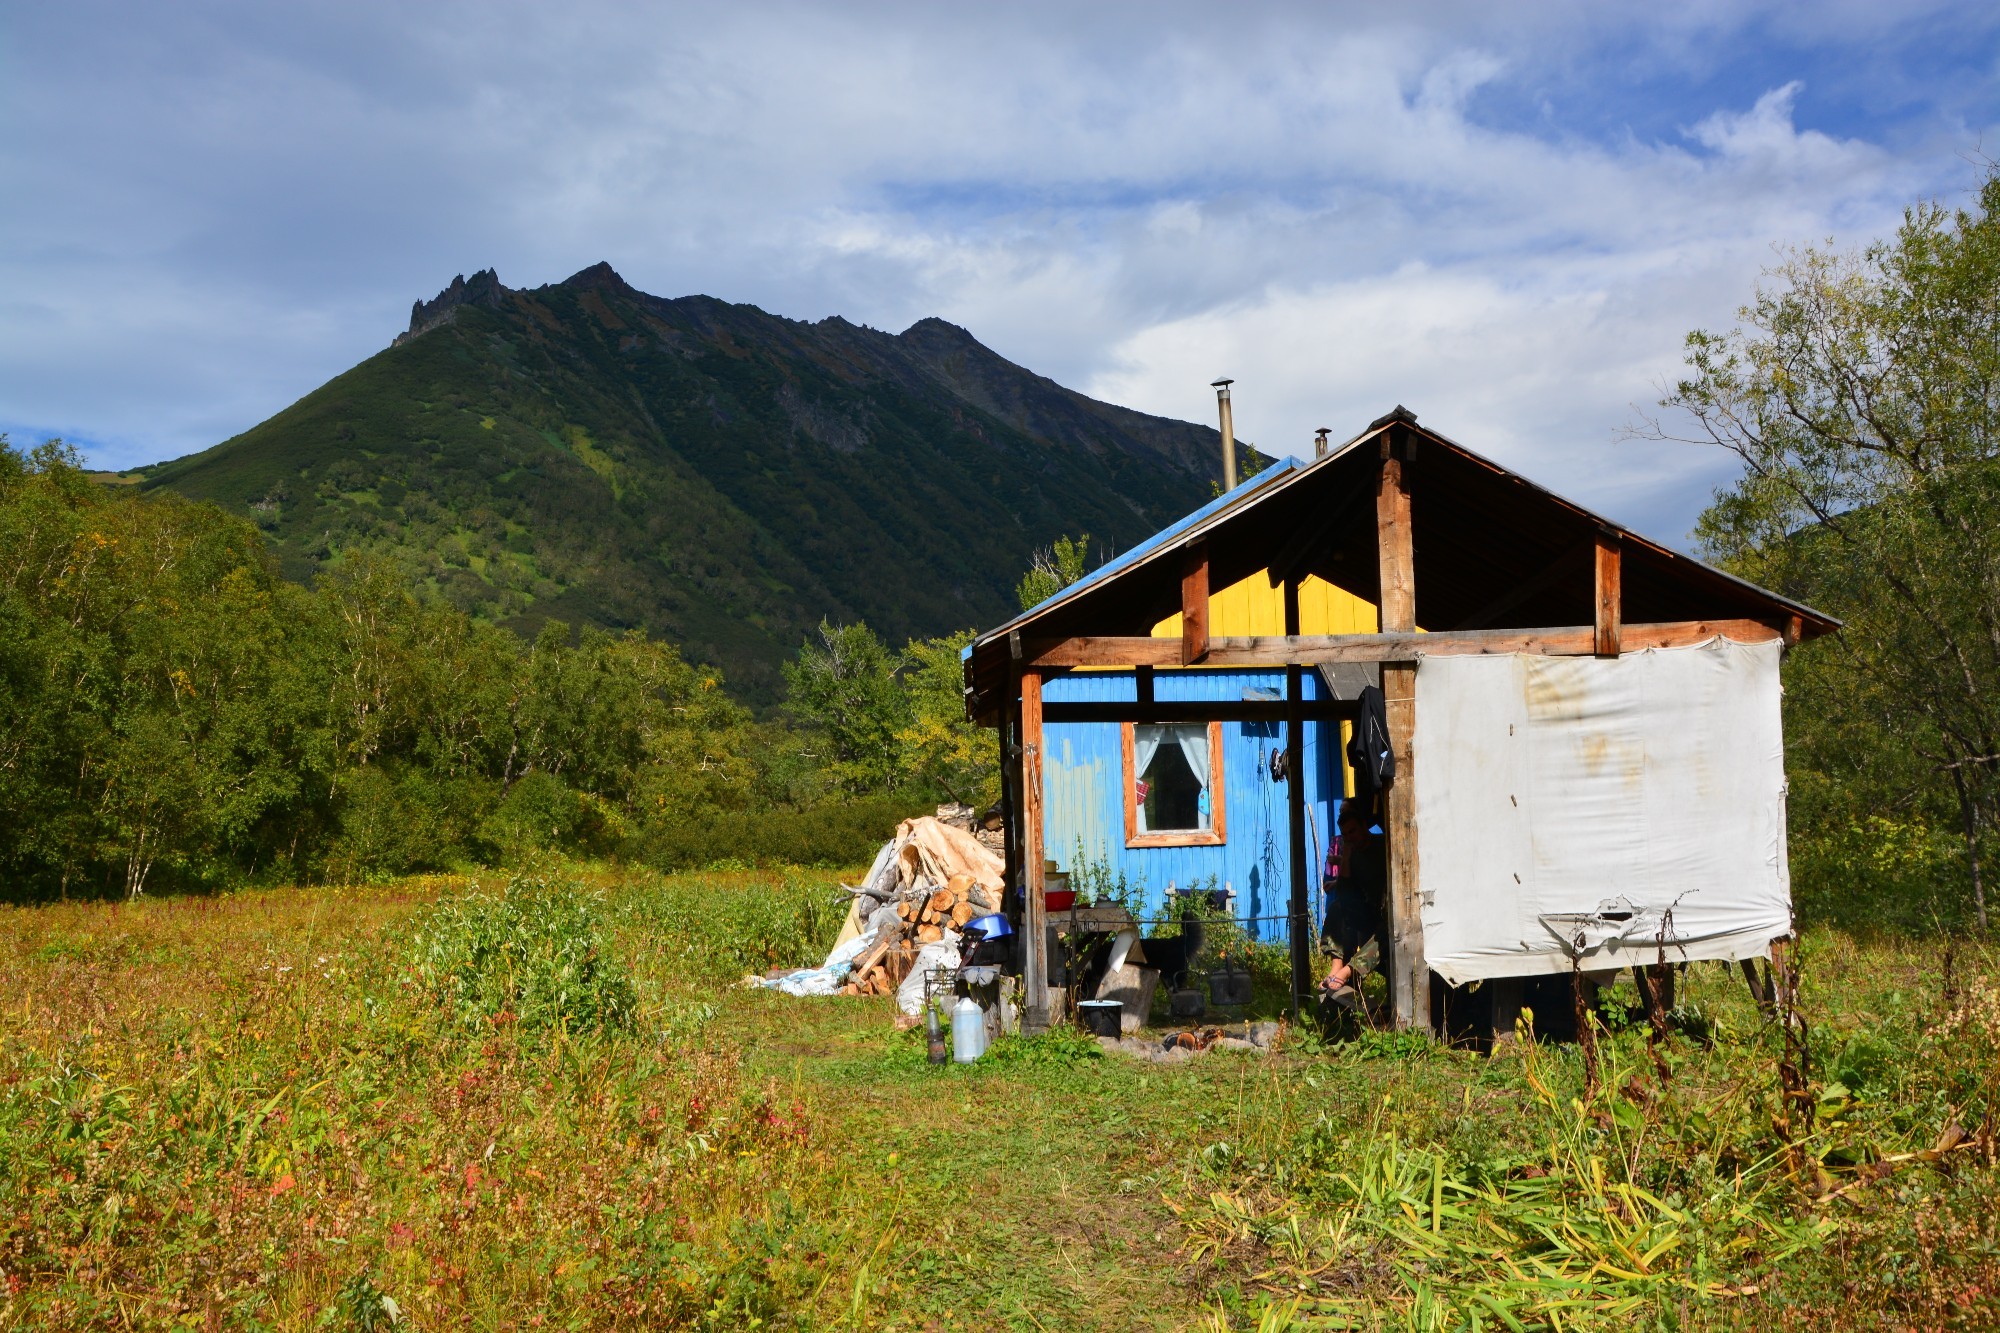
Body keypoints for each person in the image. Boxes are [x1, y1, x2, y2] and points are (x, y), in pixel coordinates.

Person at [1320, 799, 1386, 1010]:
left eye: (1353, 831)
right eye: (1345, 834)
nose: (1350, 837)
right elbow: (1345, 893)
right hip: (1370, 911)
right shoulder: (1352, 854)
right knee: (1338, 907)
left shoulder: (1382, 845)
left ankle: (1349, 970)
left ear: (1364, 827)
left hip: (1389, 914)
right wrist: (1347, 856)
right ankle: (1336, 966)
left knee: (1386, 933)